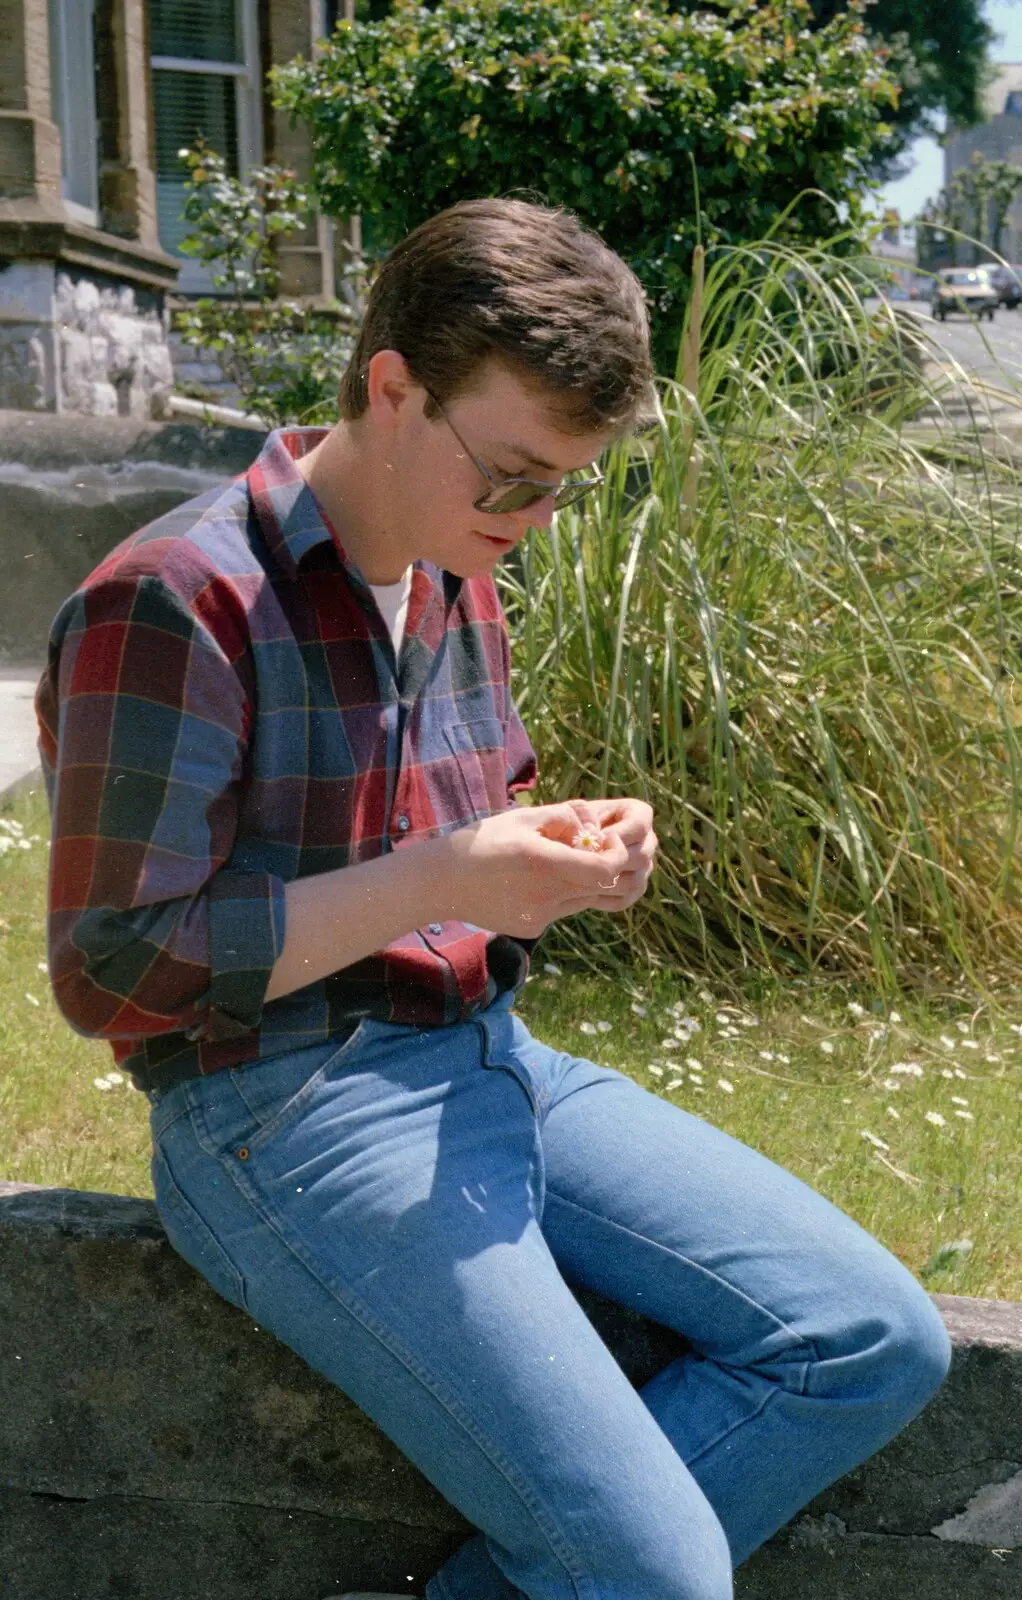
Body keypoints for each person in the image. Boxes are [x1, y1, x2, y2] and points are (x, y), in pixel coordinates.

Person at [36, 198, 951, 1600]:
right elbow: (112, 973)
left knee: (869, 1338)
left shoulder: (457, 574)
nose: (529, 519)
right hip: (276, 1119)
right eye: (513, 477)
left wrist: (564, 847)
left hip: (489, 1057)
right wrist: (444, 877)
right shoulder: (173, 599)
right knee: (660, 1580)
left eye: (561, 488)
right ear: (390, 387)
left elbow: (466, 834)